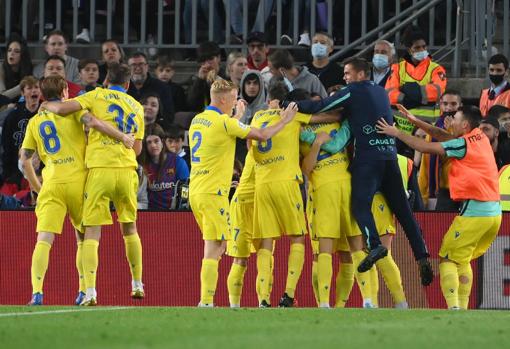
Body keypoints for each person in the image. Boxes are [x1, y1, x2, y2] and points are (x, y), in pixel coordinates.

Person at [292, 57, 433, 284]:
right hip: (390, 156)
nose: (345, 78)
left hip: (368, 160)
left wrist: (293, 107)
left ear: (360, 75)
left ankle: (374, 244)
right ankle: (422, 256)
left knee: (359, 206)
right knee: (404, 213)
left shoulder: (354, 90)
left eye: (347, 73)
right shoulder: (381, 92)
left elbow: (323, 105)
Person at [39, 63, 145, 306]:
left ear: (106, 80)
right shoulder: (137, 106)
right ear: (128, 85)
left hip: (99, 170)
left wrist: (48, 104)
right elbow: (137, 148)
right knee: (130, 229)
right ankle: (137, 283)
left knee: (92, 234)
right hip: (127, 171)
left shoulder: (96, 94)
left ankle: (90, 291)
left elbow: (65, 109)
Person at [377, 105, 501, 310]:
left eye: (455, 118)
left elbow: (427, 148)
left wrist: (397, 133)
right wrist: (416, 122)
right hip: (493, 213)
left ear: (465, 125)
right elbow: (443, 136)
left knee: (447, 258)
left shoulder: (464, 144)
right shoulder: (478, 137)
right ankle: (462, 308)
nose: (450, 120)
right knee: (462, 259)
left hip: (475, 212)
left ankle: (453, 307)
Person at [189, 79, 298, 307]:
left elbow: (224, 130)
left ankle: (208, 300)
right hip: (213, 192)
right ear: (223, 99)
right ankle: (206, 301)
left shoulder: (198, 120)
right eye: (233, 98)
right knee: (215, 246)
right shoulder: (223, 122)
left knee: (217, 246)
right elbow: (262, 135)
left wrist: (237, 115)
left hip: (196, 190)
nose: (236, 102)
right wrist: (285, 120)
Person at [251, 83, 338, 308]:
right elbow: (324, 118)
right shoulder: (294, 116)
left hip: (262, 183)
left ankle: (262, 298)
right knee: (298, 237)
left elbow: (251, 143)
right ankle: (288, 294)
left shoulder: (258, 116)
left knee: (266, 242)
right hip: (286, 182)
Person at [385, 26, 447, 134]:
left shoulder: (436, 69)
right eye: (417, 48)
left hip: (427, 130)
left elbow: (437, 91)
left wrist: (405, 90)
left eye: (424, 47)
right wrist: (416, 98)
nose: (422, 50)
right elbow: (389, 94)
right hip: (401, 129)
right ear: (409, 50)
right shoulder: (397, 68)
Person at [418, 90, 462, 211]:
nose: (448, 107)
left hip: (463, 190)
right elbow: (425, 166)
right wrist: (423, 196)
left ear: (460, 106)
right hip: (442, 192)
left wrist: (453, 132)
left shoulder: (467, 130)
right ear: (440, 105)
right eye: (445, 104)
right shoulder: (431, 133)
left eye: (453, 104)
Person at [140, 124, 189, 210]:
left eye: (156, 141)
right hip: (148, 213)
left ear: (162, 142)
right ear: (145, 145)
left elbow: (186, 188)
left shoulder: (178, 162)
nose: (153, 145)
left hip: (174, 213)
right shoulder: (141, 165)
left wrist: (182, 207)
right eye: (149, 142)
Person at [1, 76, 40, 181]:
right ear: (23, 93)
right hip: (15, 169)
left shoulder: (46, 114)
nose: (34, 90)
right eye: (29, 88)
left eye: (36, 87)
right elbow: (7, 146)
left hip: (42, 168)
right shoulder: (13, 116)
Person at [127, 52, 175, 124]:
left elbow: (168, 116)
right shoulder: (122, 88)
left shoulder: (162, 87)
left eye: (141, 64)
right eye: (133, 65)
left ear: (147, 66)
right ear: (128, 68)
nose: (137, 67)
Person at [187, 42, 226, 112]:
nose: (207, 64)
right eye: (203, 61)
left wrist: (215, 79)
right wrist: (200, 81)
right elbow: (192, 105)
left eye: (210, 59)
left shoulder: (227, 76)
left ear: (219, 58)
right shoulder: (195, 79)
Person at [0, 34, 33, 103]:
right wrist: (22, 85)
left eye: (16, 51)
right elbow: (2, 96)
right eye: (9, 50)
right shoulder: (1, 68)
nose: (11, 53)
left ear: (22, 55)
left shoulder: (29, 68)